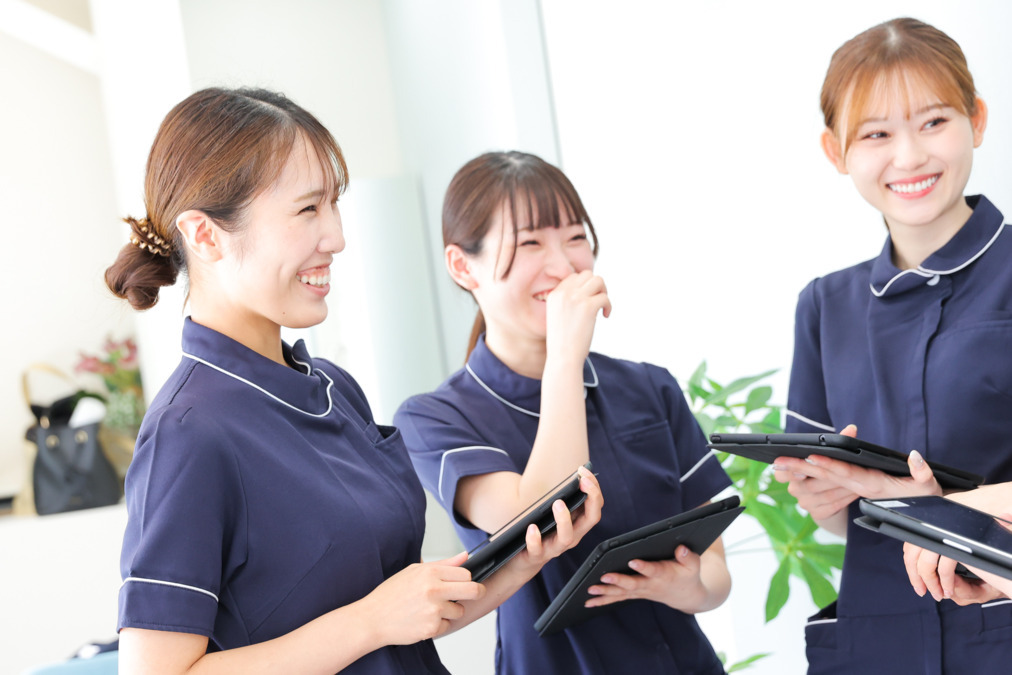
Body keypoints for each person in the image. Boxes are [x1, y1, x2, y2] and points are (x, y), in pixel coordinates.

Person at [105, 88, 602, 675]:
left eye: (334, 206)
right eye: (307, 210)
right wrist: (368, 620)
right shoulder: (187, 433)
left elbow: (407, 617)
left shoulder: (333, 388)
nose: (337, 236)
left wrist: (521, 561)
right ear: (207, 235)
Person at [394, 151, 732, 675]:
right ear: (463, 266)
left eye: (575, 237)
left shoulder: (649, 387)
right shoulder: (436, 417)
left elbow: (714, 576)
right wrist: (565, 360)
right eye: (530, 242)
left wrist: (689, 587)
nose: (566, 264)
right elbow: (542, 519)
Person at [770, 17, 1012, 674]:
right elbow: (841, 519)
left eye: (933, 122)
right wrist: (829, 503)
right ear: (836, 151)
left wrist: (943, 503)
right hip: (877, 640)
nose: (908, 157)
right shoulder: (825, 306)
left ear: (977, 120)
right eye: (876, 134)